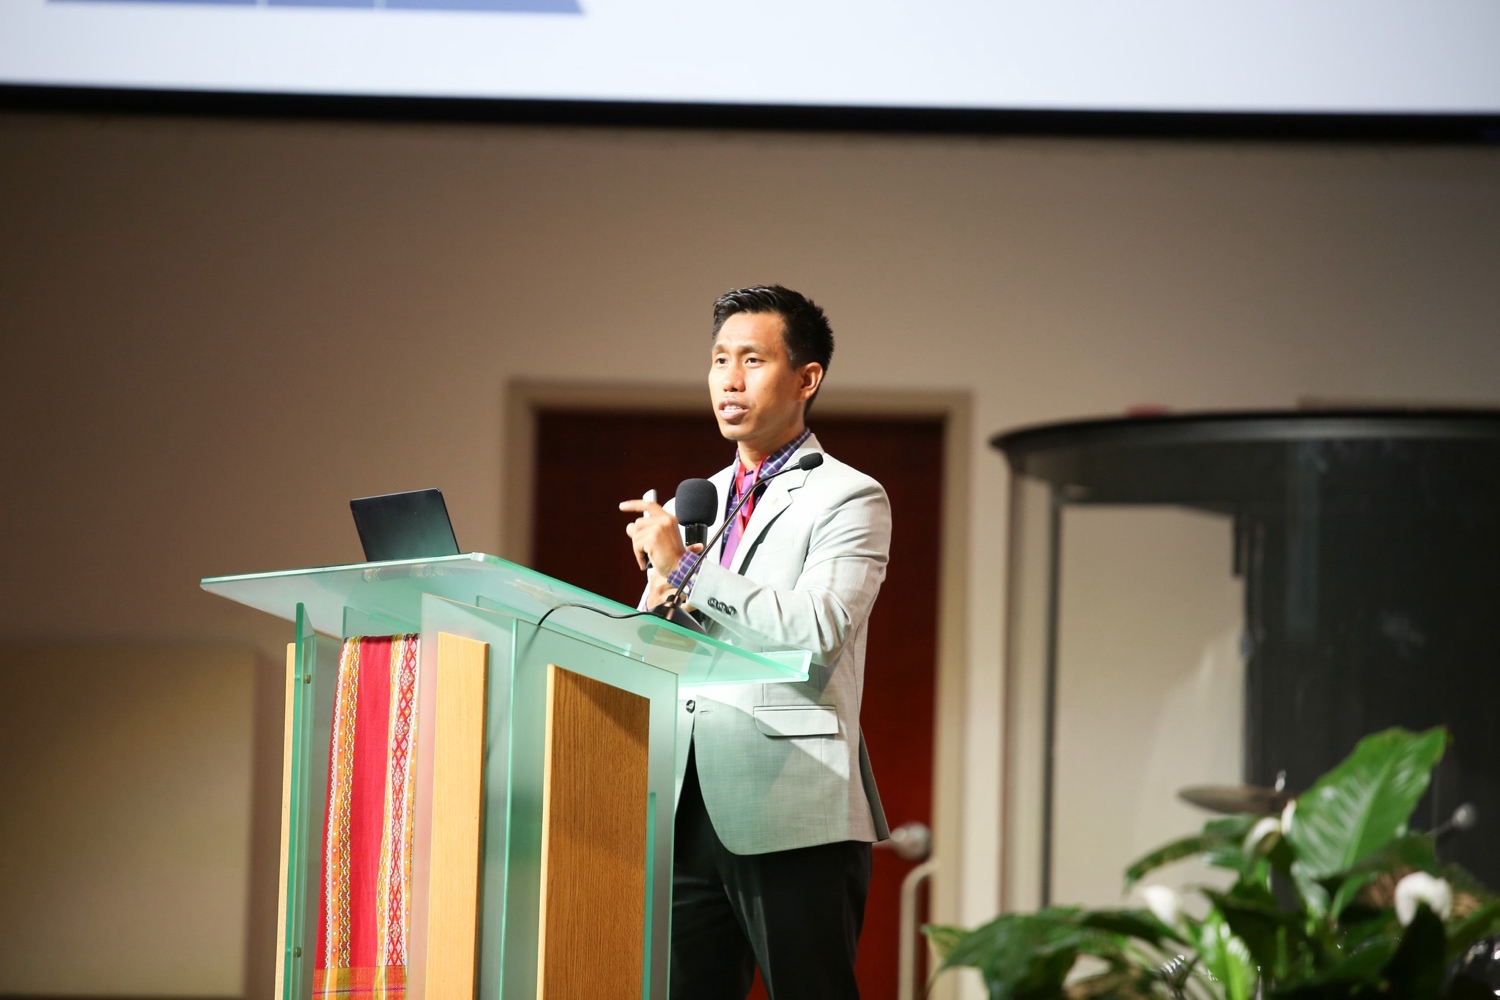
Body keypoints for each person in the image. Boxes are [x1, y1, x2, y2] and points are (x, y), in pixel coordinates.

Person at [618, 285, 891, 1000]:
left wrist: (686, 570)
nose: (729, 380)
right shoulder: (697, 500)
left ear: (806, 378)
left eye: (751, 360)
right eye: (718, 360)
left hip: (793, 802)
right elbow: (663, 649)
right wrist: (655, 601)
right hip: (685, 802)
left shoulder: (849, 496)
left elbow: (817, 630)